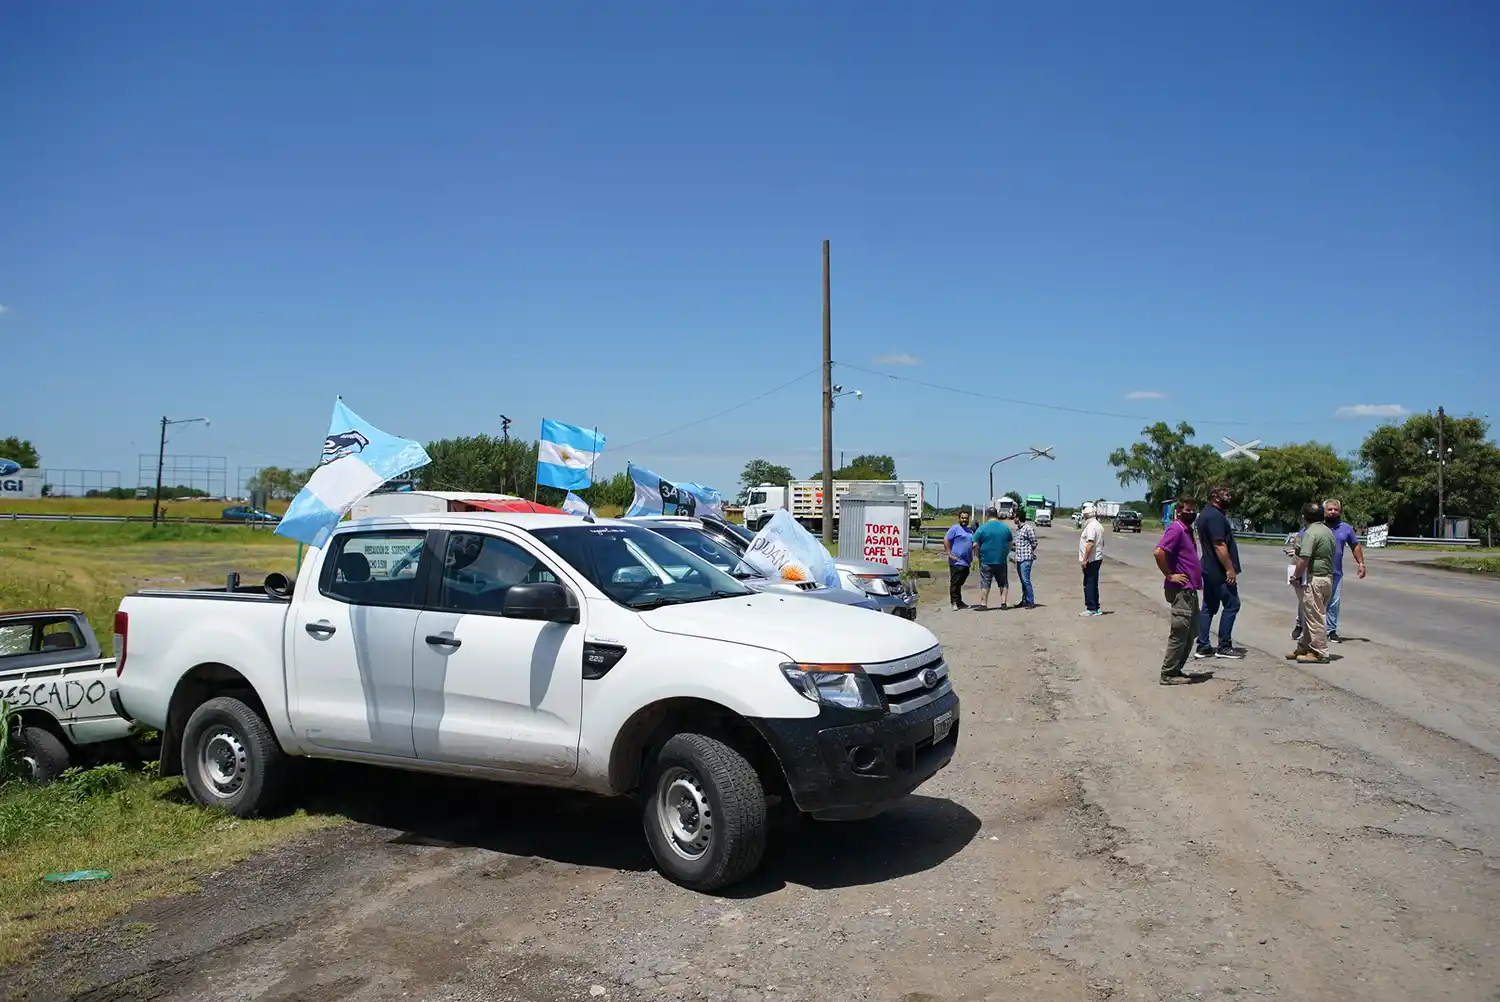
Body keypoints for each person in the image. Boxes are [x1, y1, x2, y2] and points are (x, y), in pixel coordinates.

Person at [1154, 496, 1210, 684]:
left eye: (1193, 510)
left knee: (1192, 631)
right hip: (1181, 590)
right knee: (1180, 632)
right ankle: (1168, 673)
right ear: (1178, 511)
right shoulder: (1176, 529)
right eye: (1187, 510)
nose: (1191, 513)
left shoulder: (1187, 530)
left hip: (1190, 590)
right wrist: (1170, 575)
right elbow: (1159, 552)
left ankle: (1176, 669)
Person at [1195, 485, 1246, 660]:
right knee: (1232, 604)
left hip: (1208, 567)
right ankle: (1224, 646)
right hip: (1218, 570)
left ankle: (1203, 646)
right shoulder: (1215, 517)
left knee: (1209, 606)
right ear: (1215, 496)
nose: (1230, 497)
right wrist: (1229, 569)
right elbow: (1219, 545)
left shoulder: (1206, 514)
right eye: (1226, 494)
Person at [1289, 501, 1336, 663]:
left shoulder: (1310, 533)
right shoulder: (1328, 531)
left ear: (1304, 517)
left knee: (1315, 617)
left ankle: (1319, 652)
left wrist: (1295, 576)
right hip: (1327, 579)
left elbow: (1304, 559)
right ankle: (1304, 647)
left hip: (1315, 579)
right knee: (1310, 615)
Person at [1321, 498, 1366, 643]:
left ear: (1340, 511)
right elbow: (1300, 539)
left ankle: (1331, 631)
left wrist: (1361, 563)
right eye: (1330, 509)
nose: (1333, 512)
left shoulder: (1345, 528)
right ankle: (1305, 627)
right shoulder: (1317, 526)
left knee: (1334, 603)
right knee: (1313, 602)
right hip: (1316, 572)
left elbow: (1355, 545)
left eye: (1336, 509)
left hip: (1336, 572)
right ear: (1324, 511)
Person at [971, 507, 1015, 610]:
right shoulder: (1005, 528)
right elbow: (1010, 543)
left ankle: (983, 604)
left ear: (987, 515)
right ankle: (1003, 603)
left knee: (985, 582)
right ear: (997, 515)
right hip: (1001, 560)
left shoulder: (982, 528)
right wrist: (1006, 553)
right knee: (1003, 582)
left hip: (986, 560)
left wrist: (978, 555)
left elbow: (975, 544)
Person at [943, 510, 975, 610]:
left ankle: (959, 601)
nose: (964, 520)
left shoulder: (970, 531)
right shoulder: (955, 528)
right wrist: (949, 553)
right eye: (963, 518)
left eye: (966, 518)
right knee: (955, 582)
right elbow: (946, 539)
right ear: (959, 519)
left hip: (966, 562)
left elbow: (972, 544)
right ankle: (954, 602)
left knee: (960, 583)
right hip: (956, 561)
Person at [1078, 502, 1105, 616]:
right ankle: (1096, 607)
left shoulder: (1091, 526)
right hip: (1096, 558)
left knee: (1089, 583)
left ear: (1087, 515)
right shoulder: (1098, 525)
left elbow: (1090, 543)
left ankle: (1091, 608)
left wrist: (1085, 559)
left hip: (1092, 559)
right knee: (1093, 583)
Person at [1011, 509, 1039, 609]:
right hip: (1019, 558)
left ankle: (1030, 602)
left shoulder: (1028, 528)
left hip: (1026, 559)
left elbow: (1034, 542)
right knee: (1023, 581)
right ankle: (1024, 601)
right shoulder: (1018, 529)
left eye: (1014, 517)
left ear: (1018, 518)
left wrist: (1029, 551)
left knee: (1026, 581)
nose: (1013, 519)